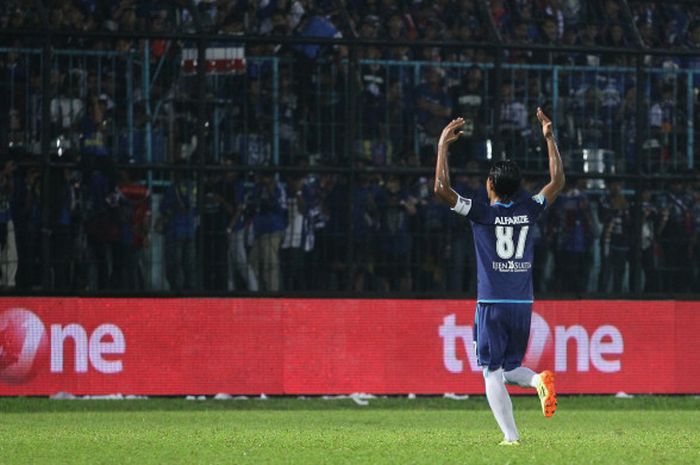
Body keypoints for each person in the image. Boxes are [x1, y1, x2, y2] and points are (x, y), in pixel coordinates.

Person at [433, 108, 564, 445]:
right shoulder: (528, 210)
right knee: (505, 369)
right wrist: (550, 139)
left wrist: (442, 146)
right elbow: (557, 182)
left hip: (491, 303)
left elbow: (440, 188)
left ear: (490, 184)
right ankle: (538, 382)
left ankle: (511, 437)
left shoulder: (481, 213)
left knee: (490, 372)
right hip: (522, 303)